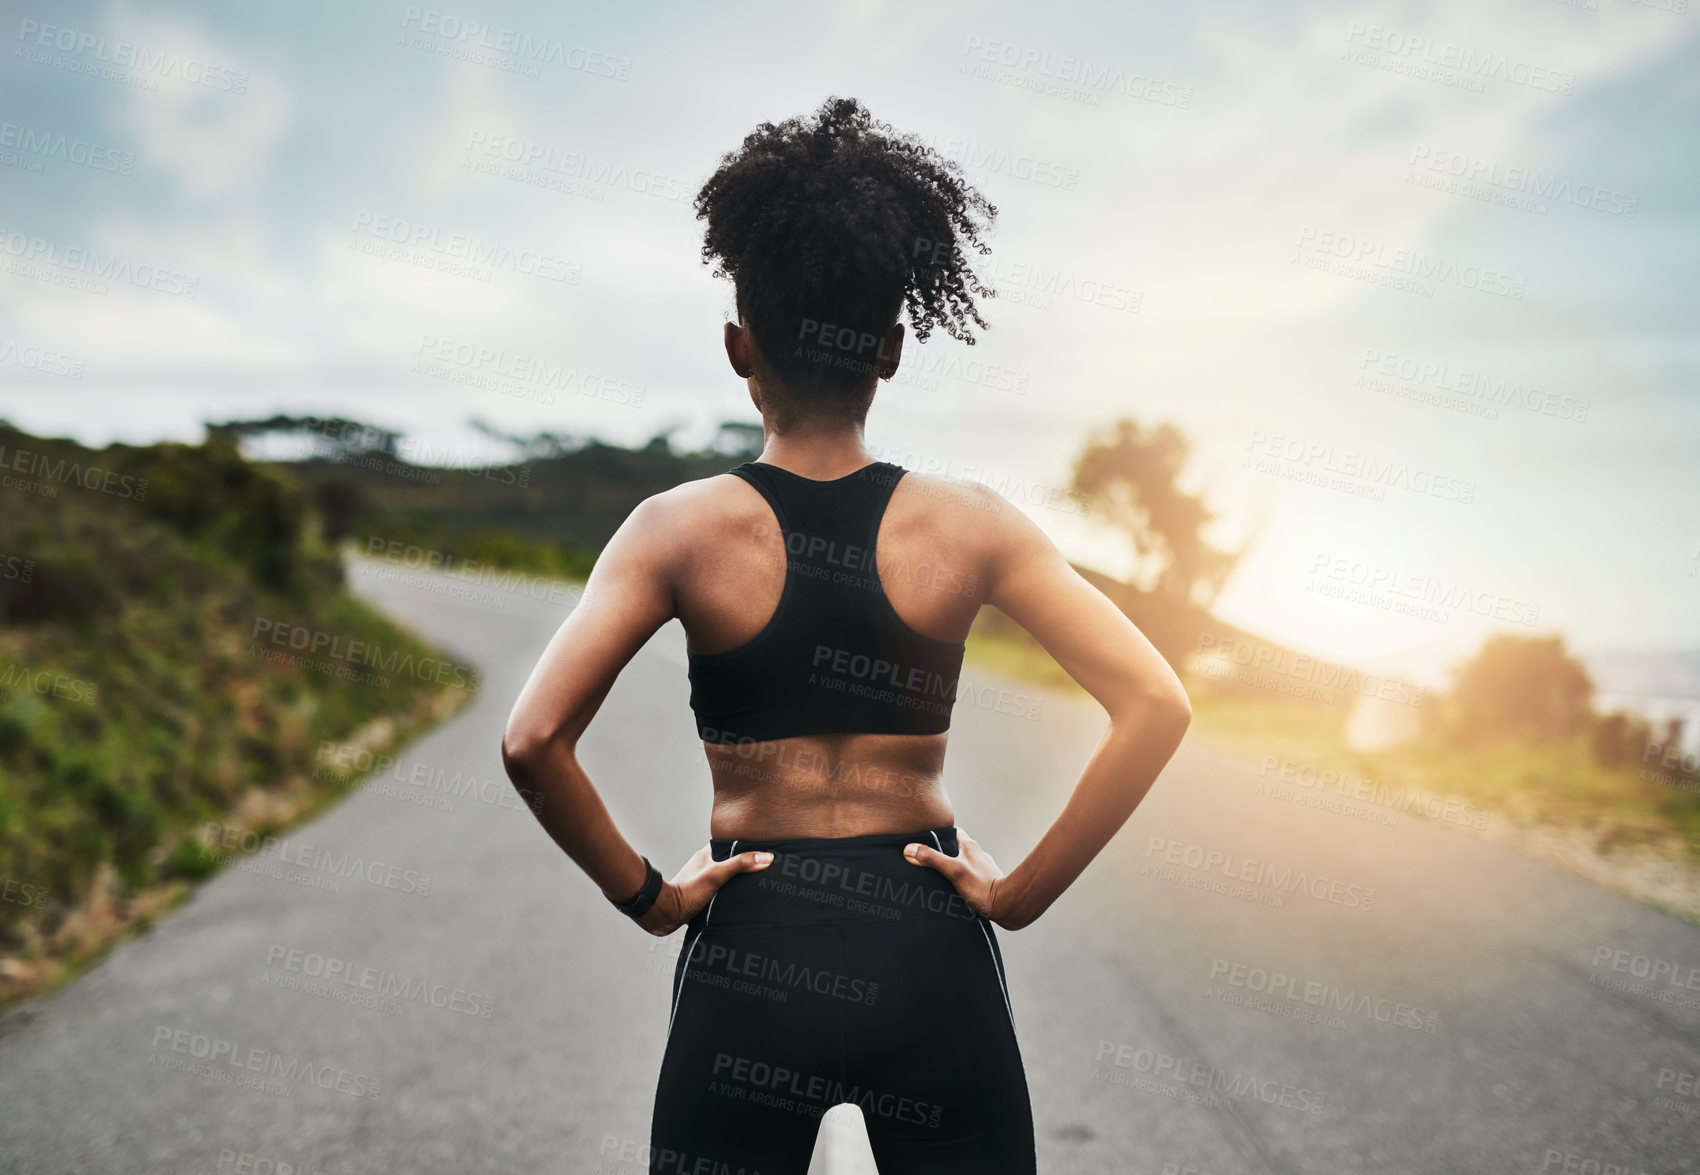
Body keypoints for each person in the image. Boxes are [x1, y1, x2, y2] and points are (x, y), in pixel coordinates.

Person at [501, 96, 1192, 1174]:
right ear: (891, 348)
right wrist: (1016, 897)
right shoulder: (974, 524)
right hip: (924, 940)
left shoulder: (672, 530)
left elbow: (532, 740)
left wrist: (653, 898)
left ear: (739, 347)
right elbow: (1156, 702)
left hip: (751, 943)